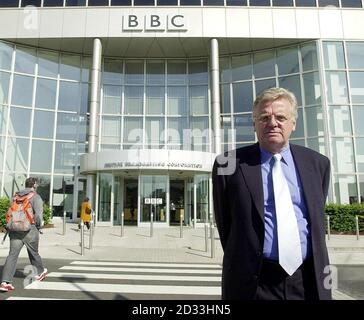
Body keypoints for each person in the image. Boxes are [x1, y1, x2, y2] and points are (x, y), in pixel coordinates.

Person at [212, 87, 331, 300]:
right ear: (255, 124)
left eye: (281, 117)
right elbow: (225, 224)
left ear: (293, 123)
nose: (273, 123)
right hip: (253, 281)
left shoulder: (318, 163)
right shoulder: (227, 164)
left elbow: (315, 217)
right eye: (264, 117)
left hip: (306, 279)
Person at [0, 177, 48, 292]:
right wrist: (39, 227)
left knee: (12, 255)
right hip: (29, 229)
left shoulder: (15, 197)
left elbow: (10, 212)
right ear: (35, 185)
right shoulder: (35, 197)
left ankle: (5, 282)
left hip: (15, 229)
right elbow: (38, 216)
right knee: (33, 252)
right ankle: (40, 272)